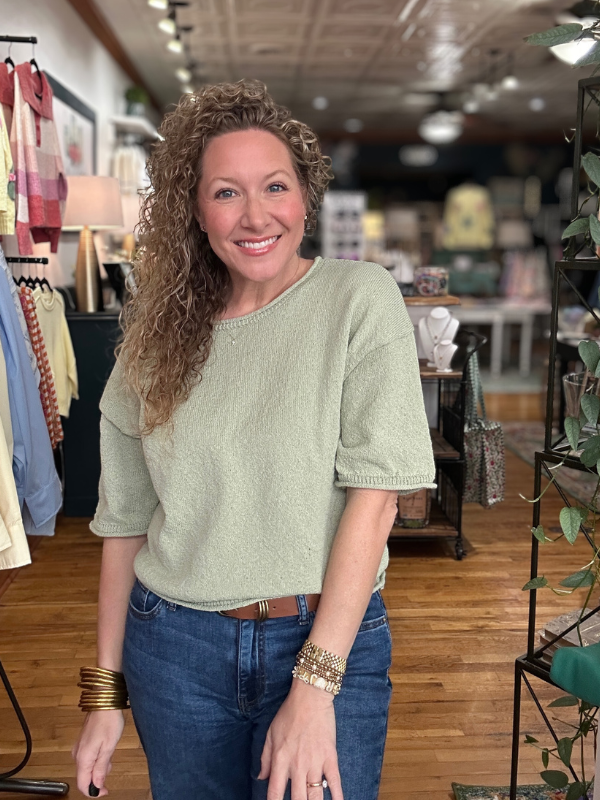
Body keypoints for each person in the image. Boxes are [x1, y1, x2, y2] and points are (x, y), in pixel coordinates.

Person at [72, 79, 435, 800]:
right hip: (173, 649)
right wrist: (104, 696)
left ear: (305, 197)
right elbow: (124, 528)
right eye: (226, 192)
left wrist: (314, 687)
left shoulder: (358, 299)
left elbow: (377, 500)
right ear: (194, 210)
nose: (255, 214)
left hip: (326, 639)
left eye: (274, 186)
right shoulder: (155, 337)